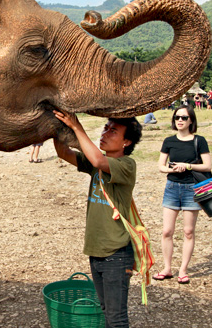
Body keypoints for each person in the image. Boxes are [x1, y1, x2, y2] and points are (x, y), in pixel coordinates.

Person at [53, 111, 142, 328]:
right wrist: (54, 126)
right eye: (105, 128)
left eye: (113, 131)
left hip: (116, 253)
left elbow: (98, 160)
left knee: (116, 317)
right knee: (105, 310)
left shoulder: (126, 165)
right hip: (96, 250)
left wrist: (77, 127)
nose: (105, 133)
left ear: (127, 141)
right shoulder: (97, 164)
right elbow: (63, 152)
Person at [153, 106, 211, 285]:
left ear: (191, 120)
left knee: (188, 231)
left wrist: (188, 166)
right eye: (177, 117)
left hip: (192, 188)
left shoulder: (199, 140)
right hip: (172, 187)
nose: (180, 120)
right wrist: (171, 169)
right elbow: (161, 166)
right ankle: (167, 268)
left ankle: (183, 270)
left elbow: (207, 165)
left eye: (184, 118)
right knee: (167, 231)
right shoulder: (169, 141)